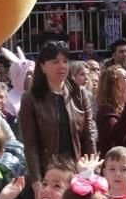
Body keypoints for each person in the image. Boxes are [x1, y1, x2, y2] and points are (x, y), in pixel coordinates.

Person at [19, 40, 96, 185]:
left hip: (77, 172)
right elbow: (30, 144)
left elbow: (88, 134)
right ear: (42, 66)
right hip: (48, 174)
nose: (62, 66)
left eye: (65, 61)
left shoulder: (79, 94)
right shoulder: (30, 99)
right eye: (55, 61)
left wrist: (90, 170)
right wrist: (36, 182)